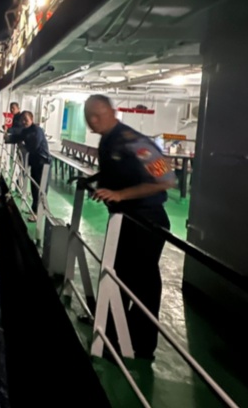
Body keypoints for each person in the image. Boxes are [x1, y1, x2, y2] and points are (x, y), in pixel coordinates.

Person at [83, 94, 176, 360]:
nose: (92, 120)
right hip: (125, 220)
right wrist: (93, 180)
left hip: (147, 221)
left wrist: (121, 195)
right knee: (118, 277)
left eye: (98, 114)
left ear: (112, 112)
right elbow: (116, 171)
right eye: (88, 114)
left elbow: (166, 179)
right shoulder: (108, 139)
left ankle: (143, 346)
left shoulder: (135, 141)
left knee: (143, 284)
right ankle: (113, 334)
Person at [6, 110, 51, 221]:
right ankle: (35, 210)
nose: (24, 121)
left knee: (40, 188)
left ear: (31, 119)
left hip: (43, 163)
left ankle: (38, 214)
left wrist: (23, 147)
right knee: (34, 187)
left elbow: (34, 146)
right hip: (35, 162)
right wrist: (8, 138)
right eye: (22, 119)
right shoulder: (26, 130)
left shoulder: (37, 130)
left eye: (26, 119)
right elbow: (18, 137)